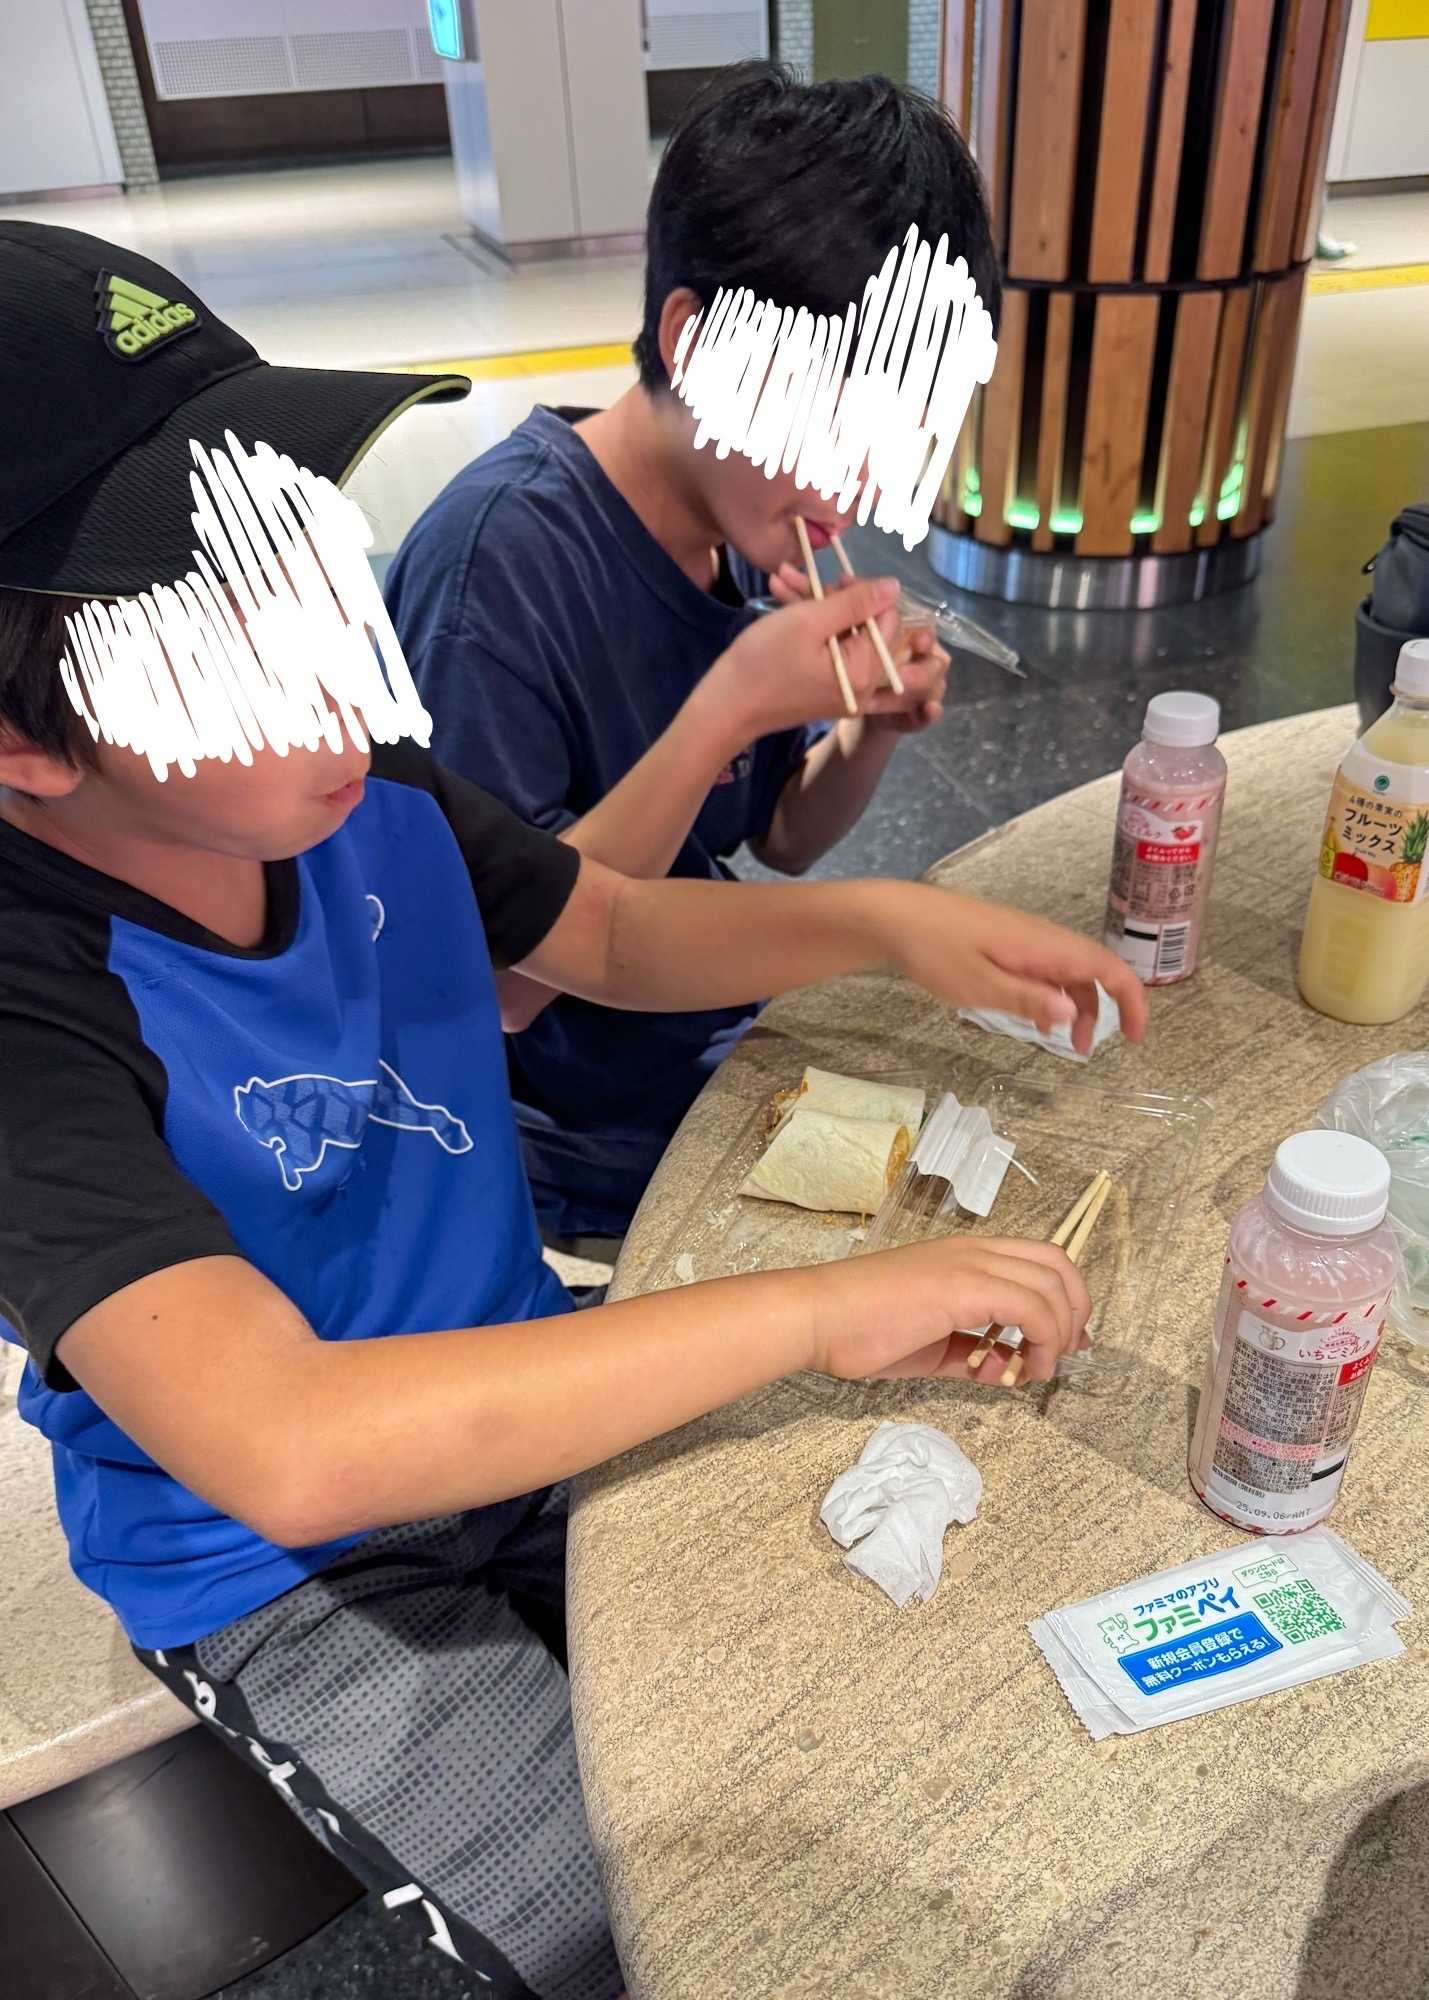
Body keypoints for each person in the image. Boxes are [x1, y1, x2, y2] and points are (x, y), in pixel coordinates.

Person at [0, 221, 1144, 2000]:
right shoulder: (29, 1008)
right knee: (634, 1926)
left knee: (857, 1695)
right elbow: (290, 1441)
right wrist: (818, 1309)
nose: (345, 664)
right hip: (286, 1563)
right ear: (21, 740)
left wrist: (881, 923)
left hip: (514, 1367)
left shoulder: (356, 777)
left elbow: (595, 928)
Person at [385, 61, 1001, 1252]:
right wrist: (726, 706)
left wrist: (868, 725)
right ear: (695, 341)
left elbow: (779, 836)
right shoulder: (497, 568)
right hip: (565, 1165)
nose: (863, 486)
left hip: (714, 1053)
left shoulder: (738, 526)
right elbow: (498, 987)